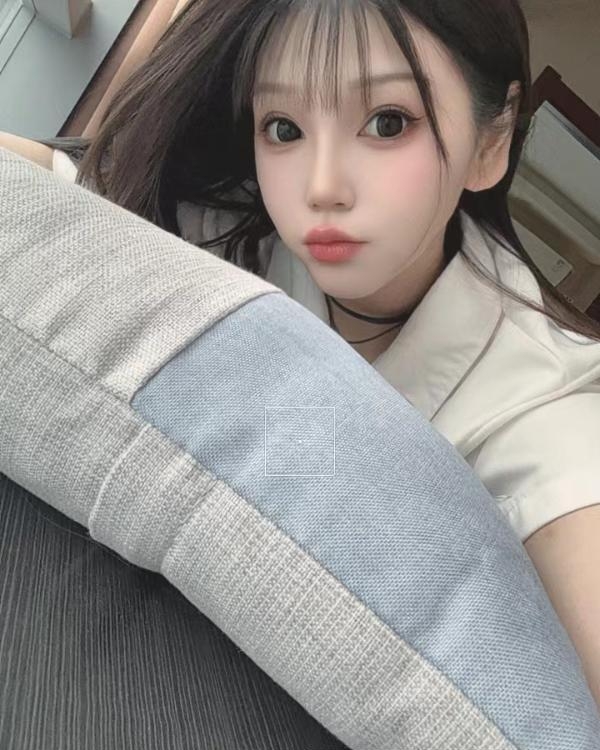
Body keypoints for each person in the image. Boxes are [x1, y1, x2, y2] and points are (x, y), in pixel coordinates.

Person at [14, 0, 600, 702]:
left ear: (490, 142)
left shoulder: (539, 402)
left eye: (388, 122)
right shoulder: (232, 232)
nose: (321, 188)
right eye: (284, 128)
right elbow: (52, 188)